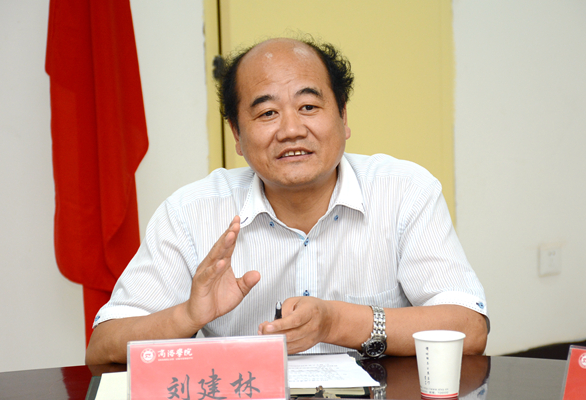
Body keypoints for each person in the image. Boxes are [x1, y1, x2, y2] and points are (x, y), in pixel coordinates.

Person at [86, 37, 489, 365]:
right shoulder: (191, 212)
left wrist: (335, 322)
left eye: (308, 106)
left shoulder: (405, 192)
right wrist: (187, 316)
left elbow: (469, 328)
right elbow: (103, 346)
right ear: (237, 135)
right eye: (267, 114)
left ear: (343, 117)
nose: (291, 129)